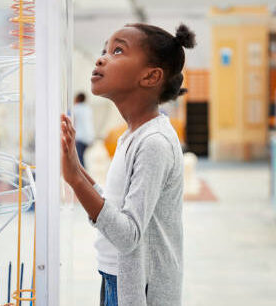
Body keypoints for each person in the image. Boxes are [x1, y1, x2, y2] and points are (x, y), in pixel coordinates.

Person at [61, 23, 195, 306]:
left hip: (138, 290)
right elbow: (115, 206)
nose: (101, 58)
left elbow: (128, 235)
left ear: (150, 76)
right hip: (115, 278)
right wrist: (75, 166)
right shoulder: (133, 135)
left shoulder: (154, 143)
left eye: (118, 50)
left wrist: (75, 179)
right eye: (104, 50)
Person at [72, 92, 94, 168]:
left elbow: (72, 122)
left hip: (80, 137)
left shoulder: (76, 108)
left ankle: (83, 175)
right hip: (89, 137)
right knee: (82, 157)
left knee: (79, 158)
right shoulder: (88, 108)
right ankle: (85, 172)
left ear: (77, 99)